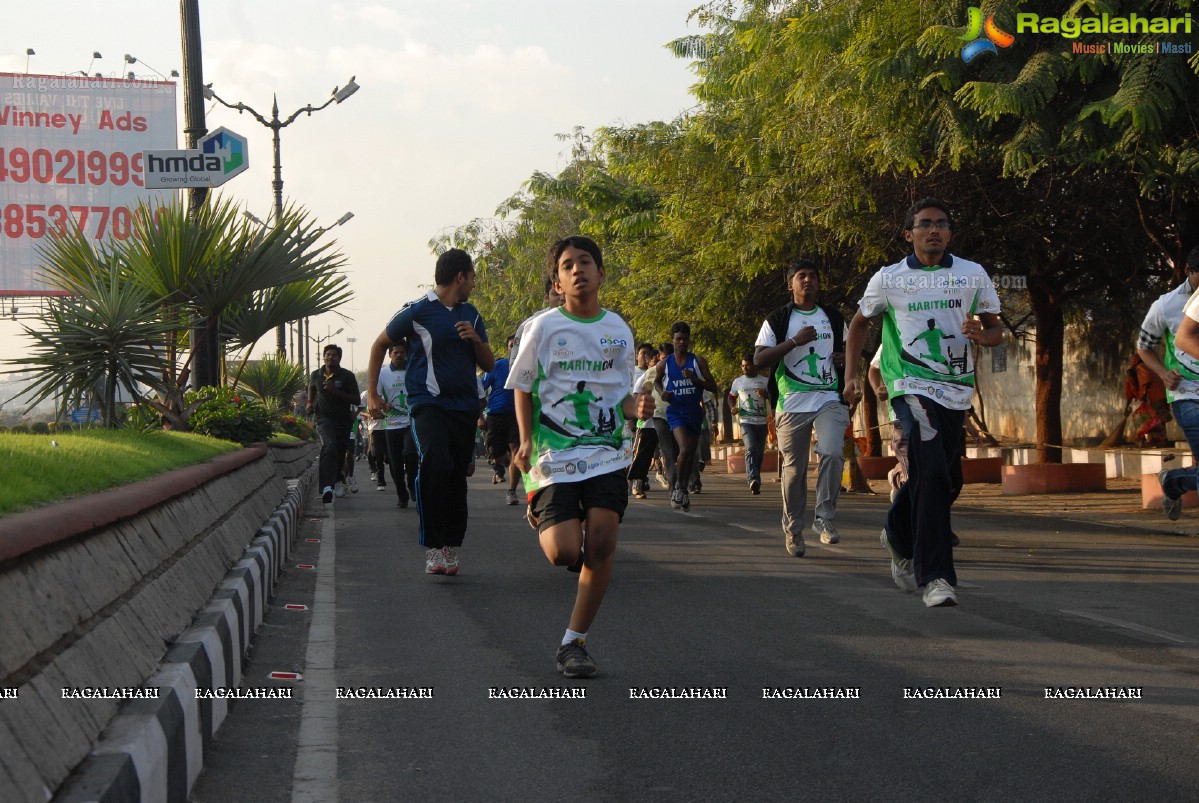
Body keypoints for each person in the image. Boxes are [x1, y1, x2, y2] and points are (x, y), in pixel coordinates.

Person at [844, 197, 1002, 608]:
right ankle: (936, 577)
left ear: (950, 232)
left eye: (942, 224)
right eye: (925, 224)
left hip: (955, 388)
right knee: (930, 472)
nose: (934, 230)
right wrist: (852, 376)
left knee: (947, 479)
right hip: (909, 384)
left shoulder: (972, 274)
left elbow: (995, 332)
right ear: (909, 233)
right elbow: (860, 324)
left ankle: (896, 531)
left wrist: (979, 335)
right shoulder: (889, 278)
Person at [508, 235, 652, 679]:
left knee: (603, 543)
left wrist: (637, 408)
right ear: (557, 281)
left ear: (601, 273)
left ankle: (575, 642)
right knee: (563, 552)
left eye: (585, 262)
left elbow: (622, 397)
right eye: (568, 265)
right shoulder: (544, 328)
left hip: (607, 451)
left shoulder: (618, 330)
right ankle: (543, 510)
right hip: (554, 453)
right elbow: (523, 386)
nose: (578, 270)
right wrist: (526, 441)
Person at [366, 248, 495, 576]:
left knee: (456, 473)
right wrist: (372, 395)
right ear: (460, 277)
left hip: (464, 408)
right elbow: (379, 344)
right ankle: (433, 546)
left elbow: (489, 364)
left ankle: (451, 545)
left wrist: (476, 340)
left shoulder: (472, 313)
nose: (474, 285)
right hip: (428, 404)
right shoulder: (417, 311)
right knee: (436, 462)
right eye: (473, 277)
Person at [753, 259, 850, 555]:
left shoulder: (833, 317)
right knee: (794, 472)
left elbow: (849, 352)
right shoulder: (778, 319)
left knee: (833, 452)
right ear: (790, 284)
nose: (807, 280)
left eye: (812, 276)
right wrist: (794, 341)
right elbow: (759, 359)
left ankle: (824, 517)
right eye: (801, 276)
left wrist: (843, 359)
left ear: (819, 283)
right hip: (792, 402)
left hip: (828, 398)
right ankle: (794, 530)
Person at [1140, 245, 1199, 518]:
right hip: (1187, 393)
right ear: (1189, 270)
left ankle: (1173, 481)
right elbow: (1144, 346)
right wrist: (1163, 373)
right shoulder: (1166, 304)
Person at [653, 322, 718, 512]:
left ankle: (683, 489)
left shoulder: (698, 361)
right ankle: (678, 489)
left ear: (689, 340)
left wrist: (694, 380)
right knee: (684, 448)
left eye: (685, 339)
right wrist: (662, 392)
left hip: (694, 412)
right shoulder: (664, 364)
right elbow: (657, 383)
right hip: (675, 412)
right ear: (672, 340)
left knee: (689, 454)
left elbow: (713, 387)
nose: (681, 342)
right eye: (678, 339)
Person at [307, 344, 360, 504]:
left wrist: (335, 391)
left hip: (343, 420)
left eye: (334, 355)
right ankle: (326, 488)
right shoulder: (316, 374)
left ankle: (338, 479)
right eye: (328, 354)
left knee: (339, 451)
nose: (331, 357)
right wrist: (310, 402)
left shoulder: (347, 376)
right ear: (323, 357)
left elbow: (356, 399)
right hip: (323, 418)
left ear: (339, 358)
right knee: (328, 446)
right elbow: (311, 388)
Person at [482, 335, 522, 505]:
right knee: (497, 456)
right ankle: (503, 461)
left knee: (516, 450)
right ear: (507, 348)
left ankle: (512, 492)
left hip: (517, 415)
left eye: (517, 345)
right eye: (511, 345)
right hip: (496, 414)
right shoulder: (497, 366)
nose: (514, 348)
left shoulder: (528, 366)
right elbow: (479, 388)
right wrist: (478, 416)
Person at [377, 342, 417, 507]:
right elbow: (377, 396)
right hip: (391, 424)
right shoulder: (382, 373)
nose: (399, 355)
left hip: (411, 421)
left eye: (402, 352)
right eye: (396, 353)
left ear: (406, 354)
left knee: (410, 454)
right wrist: (382, 405)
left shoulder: (414, 369)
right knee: (395, 462)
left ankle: (413, 486)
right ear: (390, 355)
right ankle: (402, 495)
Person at [728, 351, 770, 494]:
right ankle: (753, 479)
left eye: (747, 365)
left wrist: (765, 394)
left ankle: (755, 477)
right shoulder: (738, 382)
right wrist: (732, 407)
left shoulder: (765, 381)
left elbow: (774, 397)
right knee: (751, 448)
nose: (744, 368)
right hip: (746, 421)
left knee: (759, 452)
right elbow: (731, 397)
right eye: (742, 366)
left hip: (762, 421)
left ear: (755, 365)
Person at [627, 344, 660, 499]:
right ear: (649, 363)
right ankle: (635, 482)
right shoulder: (644, 378)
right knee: (642, 455)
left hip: (663, 422)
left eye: (660, 361)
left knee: (663, 454)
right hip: (646, 424)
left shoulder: (665, 377)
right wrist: (639, 413)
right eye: (655, 362)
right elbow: (635, 397)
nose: (658, 365)